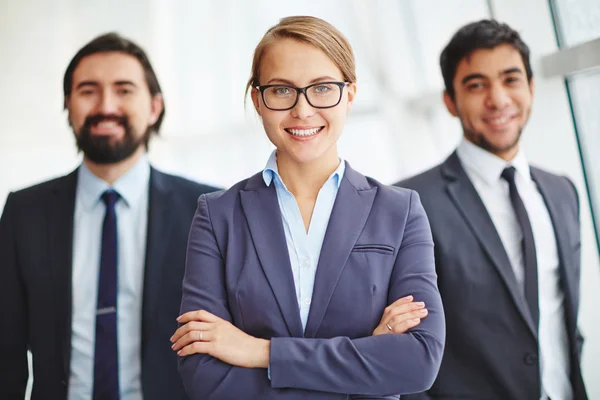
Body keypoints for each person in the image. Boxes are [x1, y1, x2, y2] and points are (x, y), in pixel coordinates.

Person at [169, 16, 445, 399]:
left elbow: (417, 362)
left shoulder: (400, 212)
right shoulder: (218, 216)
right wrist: (367, 353)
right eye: (282, 90)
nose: (302, 110)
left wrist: (258, 352)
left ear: (349, 95)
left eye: (322, 88)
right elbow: (205, 377)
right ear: (257, 99)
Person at [0, 33, 219, 400]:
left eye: (124, 90)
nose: (106, 105)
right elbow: (4, 347)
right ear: (68, 105)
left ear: (154, 106)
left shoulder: (208, 209)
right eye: (88, 91)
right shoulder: (24, 212)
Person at [398, 20, 587, 400]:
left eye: (511, 79)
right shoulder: (407, 204)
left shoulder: (562, 190)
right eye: (476, 85)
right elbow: (399, 348)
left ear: (531, 88)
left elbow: (561, 319)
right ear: (450, 101)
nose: (498, 99)